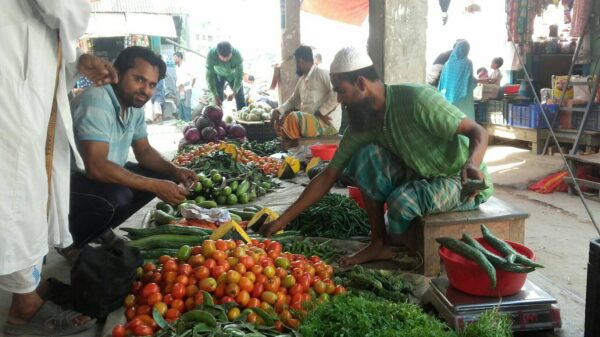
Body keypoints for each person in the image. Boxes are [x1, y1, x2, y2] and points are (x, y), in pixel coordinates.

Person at [260, 47, 493, 267]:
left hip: (460, 180)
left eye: (341, 90)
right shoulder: (365, 123)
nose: (339, 99)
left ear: (361, 83)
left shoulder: (417, 100)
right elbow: (329, 175)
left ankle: (410, 248)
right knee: (365, 158)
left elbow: (478, 131)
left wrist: (472, 164)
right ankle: (379, 243)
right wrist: (282, 220)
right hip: (421, 173)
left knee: (402, 203)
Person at [1, 1, 119, 335]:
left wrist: (76, 61)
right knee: (17, 187)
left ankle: (28, 290)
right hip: (12, 69)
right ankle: (25, 306)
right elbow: (62, 7)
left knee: (30, 187)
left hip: (25, 61)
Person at [65, 46, 197, 253]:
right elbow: (96, 166)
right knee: (119, 197)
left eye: (152, 84)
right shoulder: (97, 100)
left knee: (162, 175)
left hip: (98, 176)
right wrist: (154, 185)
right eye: (139, 79)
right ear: (117, 73)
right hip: (70, 182)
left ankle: (101, 230)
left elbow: (143, 151)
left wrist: (174, 171)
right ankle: (73, 242)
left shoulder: (133, 105)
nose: (146, 90)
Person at [271, 46, 340, 139]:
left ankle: (293, 147)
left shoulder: (322, 73)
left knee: (293, 117)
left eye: (296, 62)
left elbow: (338, 92)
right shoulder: (302, 80)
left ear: (300, 61)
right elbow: (293, 101)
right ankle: (293, 148)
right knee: (282, 120)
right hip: (310, 122)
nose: (296, 66)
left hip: (327, 125)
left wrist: (322, 111)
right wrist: (278, 111)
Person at [438, 40, 477, 120]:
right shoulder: (467, 63)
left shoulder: (447, 63)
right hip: (463, 99)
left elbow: (442, 81)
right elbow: (469, 81)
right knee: (463, 121)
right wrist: (476, 82)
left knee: (449, 120)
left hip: (447, 98)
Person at [206, 41, 246, 110]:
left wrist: (234, 92)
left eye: (228, 57)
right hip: (218, 74)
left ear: (231, 52)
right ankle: (218, 117)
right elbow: (209, 77)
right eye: (223, 58)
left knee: (240, 96)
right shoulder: (211, 54)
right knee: (218, 100)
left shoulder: (237, 55)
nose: (225, 59)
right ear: (218, 54)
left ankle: (242, 117)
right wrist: (215, 95)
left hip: (232, 75)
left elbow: (239, 75)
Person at [173, 51, 196, 121]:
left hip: (186, 88)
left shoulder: (186, 66)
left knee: (186, 105)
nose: (174, 59)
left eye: (175, 57)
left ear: (180, 58)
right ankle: (181, 122)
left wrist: (190, 87)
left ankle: (188, 122)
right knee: (179, 105)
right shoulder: (176, 67)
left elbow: (194, 77)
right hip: (178, 89)